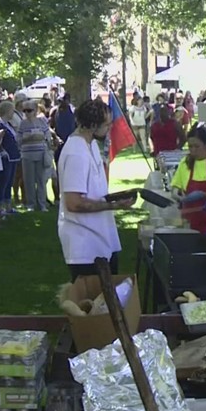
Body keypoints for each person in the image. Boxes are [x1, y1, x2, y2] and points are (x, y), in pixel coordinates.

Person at [57, 99, 135, 279]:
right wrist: (113, 206)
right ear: (92, 125)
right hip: (84, 243)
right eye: (107, 125)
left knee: (108, 301)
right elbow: (74, 203)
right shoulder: (76, 153)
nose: (110, 129)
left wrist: (115, 199)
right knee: (93, 302)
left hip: (101, 236)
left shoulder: (90, 143)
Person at [17, 98, 52, 211]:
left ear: (35, 110)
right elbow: (18, 139)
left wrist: (42, 137)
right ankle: (31, 204)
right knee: (29, 180)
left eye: (29, 110)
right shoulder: (22, 124)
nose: (27, 113)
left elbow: (48, 136)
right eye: (25, 111)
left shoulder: (42, 122)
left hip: (40, 153)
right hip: (27, 155)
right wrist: (26, 138)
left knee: (41, 180)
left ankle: (42, 204)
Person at [0, 101, 21, 215]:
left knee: (10, 181)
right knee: (3, 181)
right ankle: (0, 206)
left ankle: (8, 205)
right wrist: (2, 151)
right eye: (11, 110)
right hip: (6, 156)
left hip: (13, 156)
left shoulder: (9, 124)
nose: (13, 113)